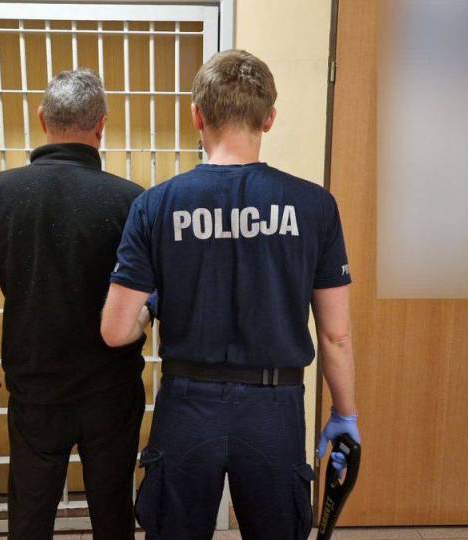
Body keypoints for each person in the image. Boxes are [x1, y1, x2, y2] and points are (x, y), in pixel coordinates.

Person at [100, 49, 359, 540]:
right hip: (275, 409)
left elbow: (115, 332)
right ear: (269, 118)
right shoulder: (315, 206)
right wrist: (345, 414)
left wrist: (150, 310)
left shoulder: (155, 205)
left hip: (186, 406)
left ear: (197, 116)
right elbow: (336, 335)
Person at [0, 69, 147, 540]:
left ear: (42, 119)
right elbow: (155, 293)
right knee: (113, 510)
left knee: (30, 514)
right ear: (101, 125)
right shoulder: (130, 201)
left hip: (36, 388)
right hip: (112, 386)